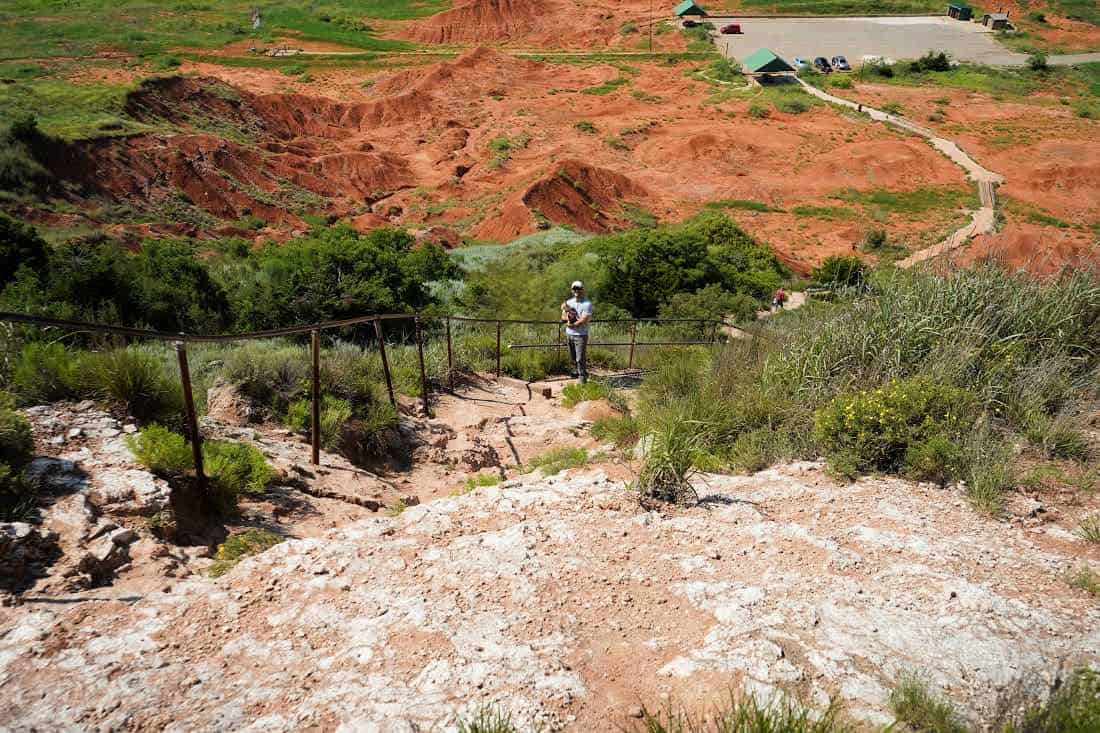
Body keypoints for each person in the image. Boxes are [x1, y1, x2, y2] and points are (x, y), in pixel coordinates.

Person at [561, 280, 593, 384]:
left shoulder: (587, 304)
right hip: (569, 333)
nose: (576, 290)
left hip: (581, 335)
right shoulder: (569, 303)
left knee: (580, 358)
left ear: (582, 290)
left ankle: (582, 378)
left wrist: (572, 324)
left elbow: (585, 319)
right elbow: (563, 316)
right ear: (572, 290)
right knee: (573, 357)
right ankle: (576, 373)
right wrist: (568, 320)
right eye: (574, 288)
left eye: (578, 288)